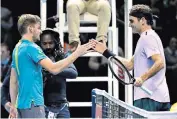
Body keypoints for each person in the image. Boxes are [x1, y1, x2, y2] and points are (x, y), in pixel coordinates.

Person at [9, 14, 96, 118]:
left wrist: (13, 106)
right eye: (38, 28)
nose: (40, 31)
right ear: (30, 29)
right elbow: (54, 69)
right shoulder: (32, 48)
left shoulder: (17, 48)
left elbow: (13, 81)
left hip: (21, 105)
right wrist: (77, 53)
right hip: (34, 103)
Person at [91, 4, 170, 111]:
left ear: (142, 20)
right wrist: (106, 52)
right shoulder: (149, 37)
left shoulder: (147, 38)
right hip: (158, 97)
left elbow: (160, 63)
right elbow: (129, 65)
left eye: (132, 21)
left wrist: (142, 78)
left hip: (149, 98)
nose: (129, 24)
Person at [40, 28, 78, 118]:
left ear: (55, 42)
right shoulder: (37, 58)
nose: (48, 46)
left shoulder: (62, 56)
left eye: (50, 43)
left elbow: (73, 73)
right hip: (43, 106)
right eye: (44, 44)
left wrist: (52, 69)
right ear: (40, 44)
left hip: (62, 106)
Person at [164, 36, 177, 104]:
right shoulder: (165, 52)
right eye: (172, 42)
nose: (174, 44)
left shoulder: (176, 52)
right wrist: (172, 68)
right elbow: (162, 67)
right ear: (169, 43)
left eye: (175, 43)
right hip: (168, 78)